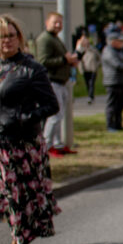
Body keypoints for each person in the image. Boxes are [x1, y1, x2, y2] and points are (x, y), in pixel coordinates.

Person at [0, 15, 60, 244]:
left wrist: (22, 118)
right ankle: (22, 228)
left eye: (10, 35)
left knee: (16, 198)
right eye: (0, 36)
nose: (6, 41)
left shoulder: (32, 69)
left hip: (20, 146)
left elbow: (51, 105)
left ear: (19, 37)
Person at [35, 12, 79, 157]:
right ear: (47, 22)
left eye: (60, 22)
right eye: (55, 22)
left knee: (60, 115)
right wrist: (65, 60)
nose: (58, 25)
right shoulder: (45, 39)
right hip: (51, 82)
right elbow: (43, 62)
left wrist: (70, 61)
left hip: (61, 81)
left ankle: (57, 144)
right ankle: (47, 145)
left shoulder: (55, 39)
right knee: (54, 116)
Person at [101, 32, 123, 131]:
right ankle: (110, 125)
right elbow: (118, 66)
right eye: (119, 41)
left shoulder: (120, 51)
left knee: (120, 105)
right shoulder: (108, 51)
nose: (122, 43)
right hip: (112, 82)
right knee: (112, 105)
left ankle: (118, 124)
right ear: (113, 41)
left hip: (121, 81)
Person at [77, 34, 101, 104]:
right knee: (87, 83)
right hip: (86, 70)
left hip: (93, 69)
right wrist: (81, 69)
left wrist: (97, 65)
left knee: (91, 83)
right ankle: (90, 95)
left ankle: (91, 96)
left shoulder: (93, 50)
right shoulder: (82, 51)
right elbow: (79, 61)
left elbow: (99, 58)